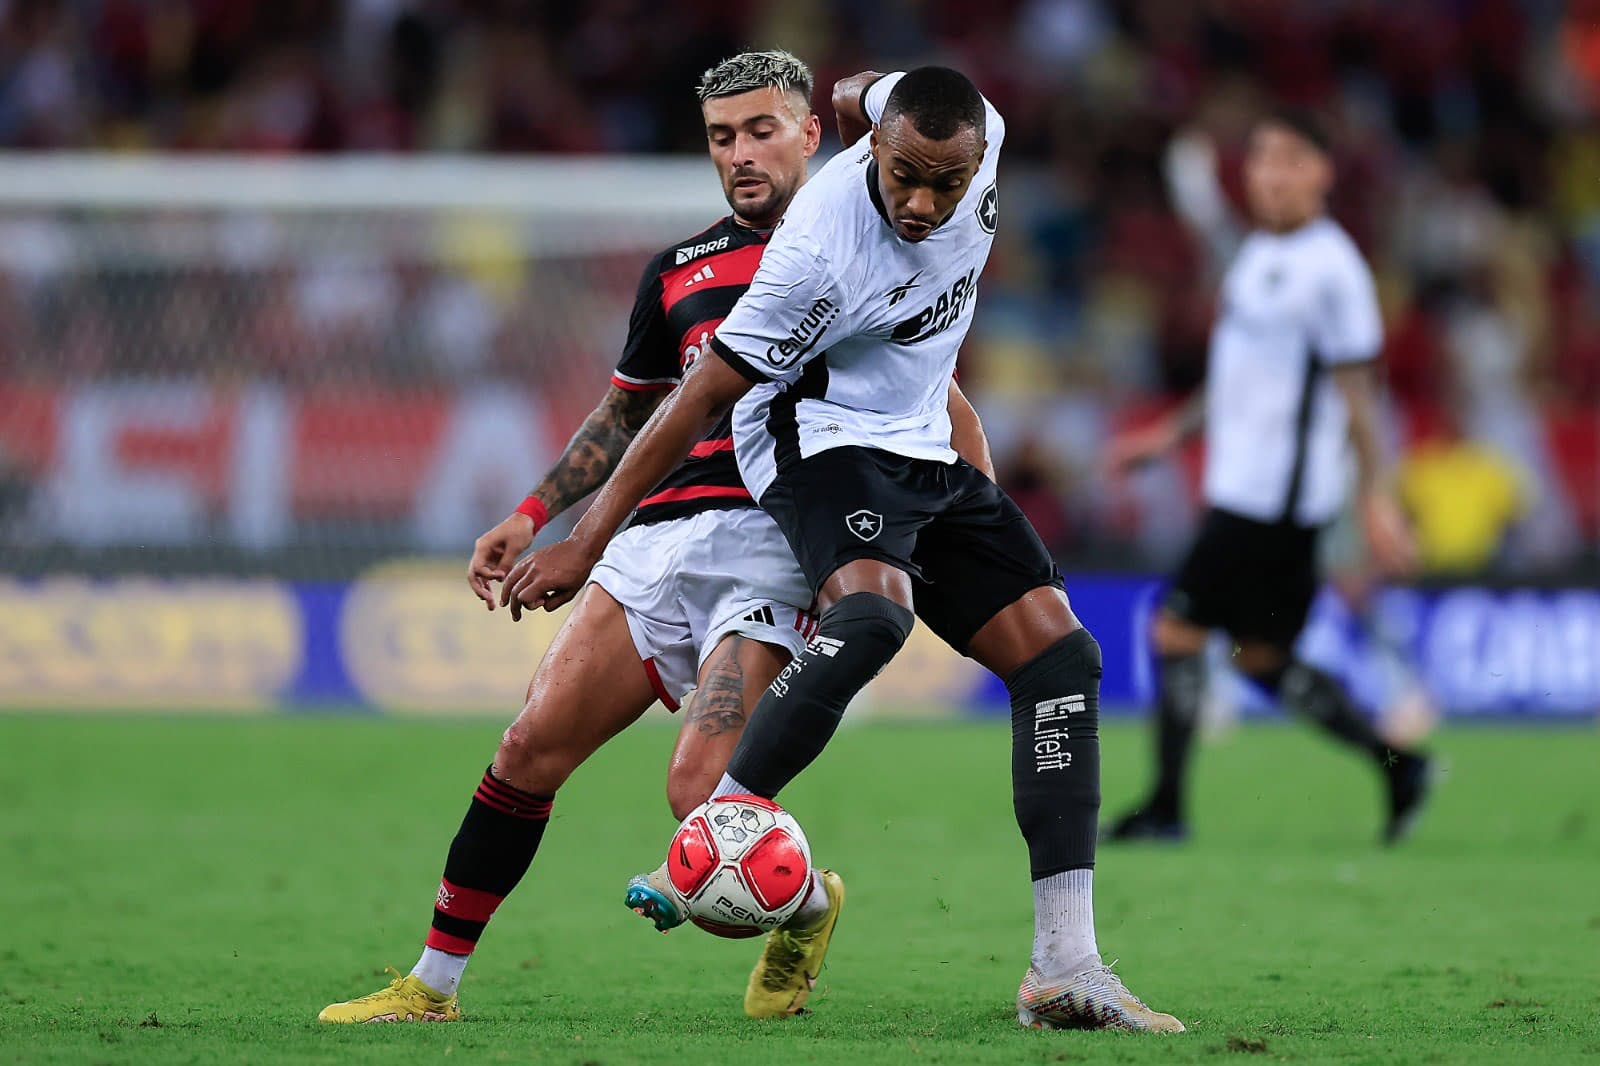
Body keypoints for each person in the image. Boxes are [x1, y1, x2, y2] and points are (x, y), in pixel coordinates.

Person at [317, 49, 996, 1025]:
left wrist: (983, 541)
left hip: (775, 539)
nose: (741, 154)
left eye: (762, 130)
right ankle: (431, 985)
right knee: (526, 747)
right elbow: (626, 411)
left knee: (701, 797)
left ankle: (803, 907)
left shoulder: (865, 248)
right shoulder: (678, 269)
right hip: (654, 539)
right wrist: (527, 515)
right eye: (722, 138)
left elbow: (943, 408)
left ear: (814, 134)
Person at [502, 66, 1184, 1034]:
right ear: (872, 152)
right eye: (901, 175)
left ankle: (1062, 967)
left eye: (943, 185)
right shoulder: (817, 252)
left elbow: (864, 88)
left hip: (918, 440)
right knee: (871, 615)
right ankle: (712, 831)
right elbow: (694, 397)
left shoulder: (969, 128)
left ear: (979, 159)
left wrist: (867, 93)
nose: (919, 202)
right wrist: (581, 537)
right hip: (811, 438)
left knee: (1061, 659)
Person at [1102, 111, 1433, 846]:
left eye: (1289, 159)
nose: (1271, 174)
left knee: (1176, 628)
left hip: (1276, 503)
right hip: (1247, 490)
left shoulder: (1334, 269)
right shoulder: (1259, 254)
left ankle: (1166, 807)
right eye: (1260, 159)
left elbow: (1360, 397)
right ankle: (1399, 764)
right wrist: (1169, 434)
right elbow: (1238, 378)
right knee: (1262, 658)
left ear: (1322, 172)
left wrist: (1376, 499)